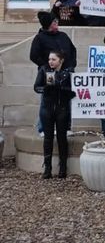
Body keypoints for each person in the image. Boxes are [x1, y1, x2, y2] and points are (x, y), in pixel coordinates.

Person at [33, 50, 74, 179]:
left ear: (60, 60)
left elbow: (74, 91)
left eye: (54, 59)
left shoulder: (68, 72)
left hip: (62, 109)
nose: (50, 62)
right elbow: (36, 87)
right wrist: (45, 88)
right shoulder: (44, 70)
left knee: (62, 138)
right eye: (49, 59)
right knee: (48, 138)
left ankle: (62, 168)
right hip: (47, 109)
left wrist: (62, 89)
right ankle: (47, 168)